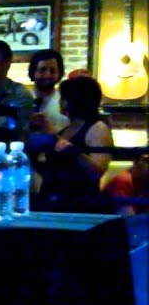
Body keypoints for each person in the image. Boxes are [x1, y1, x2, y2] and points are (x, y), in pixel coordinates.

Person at [36, 75, 113, 211]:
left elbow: (97, 171)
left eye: (63, 98)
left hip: (79, 202)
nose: (60, 102)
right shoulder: (68, 127)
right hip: (55, 200)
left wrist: (75, 153)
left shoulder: (98, 128)